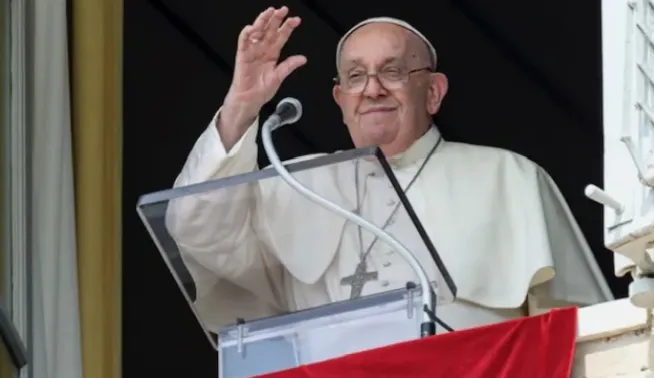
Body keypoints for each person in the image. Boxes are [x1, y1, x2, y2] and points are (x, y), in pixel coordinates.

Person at [165, 7, 613, 336]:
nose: (373, 89)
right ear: (340, 101)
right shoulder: (295, 183)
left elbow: (585, 332)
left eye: (393, 71)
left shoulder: (509, 177)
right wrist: (241, 107)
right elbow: (196, 230)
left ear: (433, 93)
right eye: (356, 77)